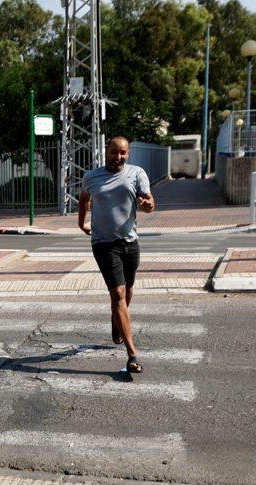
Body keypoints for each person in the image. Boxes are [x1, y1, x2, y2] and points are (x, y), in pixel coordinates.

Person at [78, 136, 155, 373]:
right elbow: (84, 199)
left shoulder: (137, 173)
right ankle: (132, 354)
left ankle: (116, 321)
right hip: (103, 243)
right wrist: (82, 223)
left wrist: (148, 205)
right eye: (114, 152)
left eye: (122, 153)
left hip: (130, 241)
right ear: (106, 152)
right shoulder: (91, 177)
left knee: (128, 290)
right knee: (118, 293)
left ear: (128, 154)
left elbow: (148, 200)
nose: (118, 157)